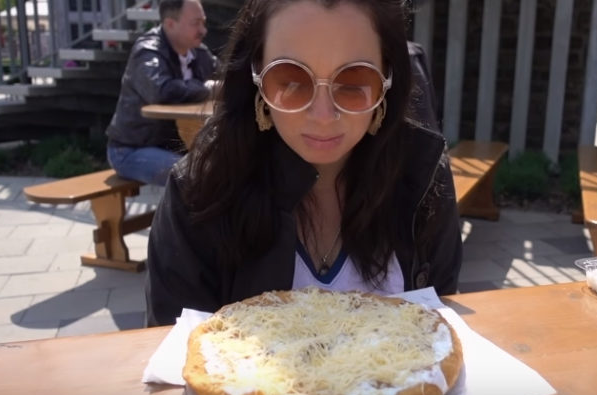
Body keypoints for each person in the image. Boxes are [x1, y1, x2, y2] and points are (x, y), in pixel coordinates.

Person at [144, 0, 463, 326]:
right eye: (290, 80)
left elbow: (438, 332)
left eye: (354, 83)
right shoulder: (198, 195)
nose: (323, 115)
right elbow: (175, 344)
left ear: (388, 79)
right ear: (256, 76)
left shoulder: (423, 179)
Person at [105, 0, 218, 186]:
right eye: (195, 23)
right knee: (197, 177)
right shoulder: (147, 52)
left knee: (227, 167)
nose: (203, 30)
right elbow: (160, 91)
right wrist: (209, 89)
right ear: (170, 24)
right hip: (131, 149)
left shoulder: (198, 53)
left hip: (175, 146)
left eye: (203, 23)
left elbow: (227, 78)